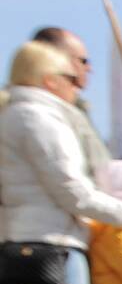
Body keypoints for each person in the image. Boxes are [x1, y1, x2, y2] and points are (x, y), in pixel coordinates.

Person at [0, 41, 122, 284]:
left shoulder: (17, 114)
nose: (78, 86)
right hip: (55, 243)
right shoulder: (39, 117)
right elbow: (72, 191)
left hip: (34, 240)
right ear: (50, 80)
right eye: (72, 78)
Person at [31, 27, 109, 178]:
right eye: (83, 61)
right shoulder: (30, 112)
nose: (89, 68)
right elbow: (68, 182)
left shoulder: (77, 108)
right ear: (55, 58)